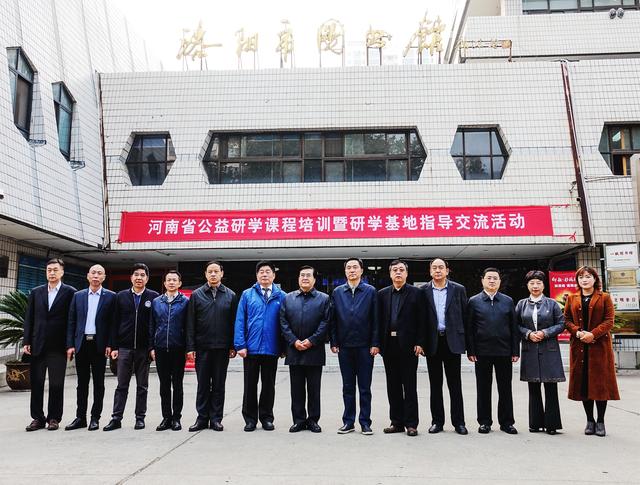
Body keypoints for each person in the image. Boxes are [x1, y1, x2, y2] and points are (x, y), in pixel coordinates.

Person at [564, 266, 620, 437]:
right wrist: (578, 332)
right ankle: (590, 420)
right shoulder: (572, 298)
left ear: (595, 279)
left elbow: (609, 321)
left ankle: (601, 421)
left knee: (600, 384)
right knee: (584, 384)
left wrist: (593, 334)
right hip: (579, 346)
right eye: (581, 277)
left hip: (599, 347)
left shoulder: (604, 297)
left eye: (588, 276)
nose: (584, 280)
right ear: (577, 280)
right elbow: (566, 319)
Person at [104, 263, 159, 431]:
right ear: (131, 277)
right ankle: (116, 418)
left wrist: (152, 347)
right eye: (136, 275)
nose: (139, 278)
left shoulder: (153, 297)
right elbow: (114, 322)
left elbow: (155, 324)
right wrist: (114, 346)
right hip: (124, 348)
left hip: (144, 349)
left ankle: (140, 418)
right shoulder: (120, 296)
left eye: (142, 275)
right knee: (122, 385)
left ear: (147, 278)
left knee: (142, 386)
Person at [23, 258, 76, 431]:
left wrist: (70, 344)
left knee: (56, 384)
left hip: (58, 346)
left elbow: (72, 320)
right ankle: (37, 418)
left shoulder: (70, 292)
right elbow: (29, 318)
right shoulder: (36, 292)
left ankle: (54, 418)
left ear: (62, 272)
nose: (52, 273)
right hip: (37, 344)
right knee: (37, 383)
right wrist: (26, 341)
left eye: (55, 270)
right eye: (49, 270)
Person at [466, 267, 520, 435]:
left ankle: (507, 422)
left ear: (499, 281)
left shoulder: (508, 301)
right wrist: (471, 350)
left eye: (495, 278)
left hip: (504, 351)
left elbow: (514, 327)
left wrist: (515, 350)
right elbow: (469, 328)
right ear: (482, 280)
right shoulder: (473, 301)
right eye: (488, 278)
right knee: (483, 388)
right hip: (482, 352)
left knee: (505, 388)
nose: (491, 281)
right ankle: (484, 422)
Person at [234, 261, 286, 432]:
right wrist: (240, 344)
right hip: (251, 348)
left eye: (268, 271)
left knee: (268, 386)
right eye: (261, 271)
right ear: (257, 275)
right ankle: (250, 419)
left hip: (272, 348)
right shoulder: (247, 295)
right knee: (250, 385)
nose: (264, 274)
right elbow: (240, 320)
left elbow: (285, 323)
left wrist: (284, 347)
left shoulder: (282, 296)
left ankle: (267, 418)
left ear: (274, 275)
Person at [186, 261, 238, 432]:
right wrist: (190, 347)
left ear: (222, 273)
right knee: (202, 385)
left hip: (222, 348)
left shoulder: (230, 295)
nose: (213, 274)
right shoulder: (197, 295)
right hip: (202, 347)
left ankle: (216, 419)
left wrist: (233, 345)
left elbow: (234, 323)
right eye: (210, 271)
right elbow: (190, 323)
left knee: (218, 385)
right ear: (206, 274)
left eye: (216, 271)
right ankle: (202, 418)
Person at [330, 257, 379, 435]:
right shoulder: (337, 292)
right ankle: (348, 422)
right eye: (349, 268)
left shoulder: (370, 291)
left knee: (365, 388)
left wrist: (375, 343)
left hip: (365, 347)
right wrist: (334, 341)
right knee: (348, 387)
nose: (352, 270)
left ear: (361, 271)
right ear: (345, 271)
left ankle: (365, 422)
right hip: (344, 346)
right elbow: (333, 319)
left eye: (355, 267)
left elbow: (376, 319)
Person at [377, 259, 425, 437]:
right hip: (389, 345)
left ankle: (411, 424)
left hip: (409, 346)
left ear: (406, 273)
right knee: (393, 385)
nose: (398, 272)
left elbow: (423, 319)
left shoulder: (417, 293)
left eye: (401, 270)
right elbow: (378, 320)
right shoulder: (382, 294)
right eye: (395, 270)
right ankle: (396, 422)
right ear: (390, 274)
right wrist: (377, 343)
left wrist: (420, 342)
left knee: (410, 386)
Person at [65, 264, 116, 431]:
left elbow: (113, 324)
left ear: (104, 277)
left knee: (99, 383)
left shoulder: (111, 296)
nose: (96, 276)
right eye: (93, 273)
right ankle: (80, 417)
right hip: (81, 344)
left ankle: (95, 418)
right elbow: (71, 321)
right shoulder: (78, 296)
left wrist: (110, 344)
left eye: (99, 273)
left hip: (99, 345)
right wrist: (70, 344)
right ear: (88, 276)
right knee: (82, 383)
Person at [280, 265, 330, 433]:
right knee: (296, 389)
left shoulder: (324, 299)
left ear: (314, 279)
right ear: (298, 278)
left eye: (308, 275)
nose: (305, 278)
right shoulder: (288, 298)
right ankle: (299, 420)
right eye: (302, 275)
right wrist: (294, 341)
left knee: (314, 389)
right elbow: (283, 322)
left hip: (314, 351)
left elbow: (325, 323)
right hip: (294, 350)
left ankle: (313, 420)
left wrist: (311, 340)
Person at [423, 257, 469, 435]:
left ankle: (459, 422)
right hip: (433, 342)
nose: (437, 270)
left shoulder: (458, 289)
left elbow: (465, 316)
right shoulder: (423, 290)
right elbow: (421, 319)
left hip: (453, 342)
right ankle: (437, 422)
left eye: (441, 267)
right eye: (434, 267)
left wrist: (467, 344)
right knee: (435, 385)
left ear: (447, 270)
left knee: (455, 385)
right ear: (430, 271)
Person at [516, 270, 565, 435]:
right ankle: (535, 423)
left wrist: (545, 333)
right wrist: (528, 333)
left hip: (549, 349)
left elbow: (561, 324)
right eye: (532, 283)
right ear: (527, 285)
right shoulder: (521, 304)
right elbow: (515, 324)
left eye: (538, 283)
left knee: (551, 387)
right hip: (530, 349)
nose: (535, 286)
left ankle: (552, 424)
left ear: (544, 285)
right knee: (533, 387)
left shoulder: (552, 304)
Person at [149, 270, 189, 431]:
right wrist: (151, 347)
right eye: (169, 280)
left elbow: (188, 326)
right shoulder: (156, 302)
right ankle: (166, 418)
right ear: (164, 283)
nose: (171, 282)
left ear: (179, 283)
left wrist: (188, 347)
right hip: (160, 348)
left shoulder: (185, 302)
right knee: (164, 385)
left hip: (178, 348)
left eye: (174, 280)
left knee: (177, 385)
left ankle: (176, 418)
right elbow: (152, 325)